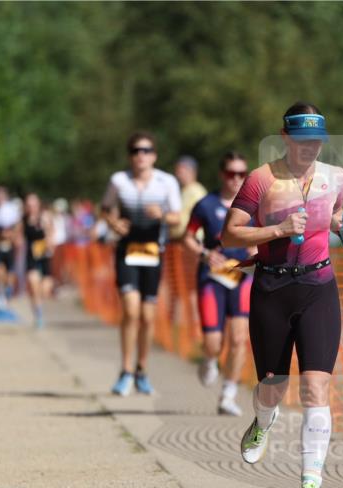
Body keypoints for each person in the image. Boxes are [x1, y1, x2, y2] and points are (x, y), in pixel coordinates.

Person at [221, 102, 343, 488]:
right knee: (273, 386)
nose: (310, 148)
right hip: (271, 287)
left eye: (316, 141)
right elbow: (230, 233)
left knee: (317, 387)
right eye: (302, 141)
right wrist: (278, 230)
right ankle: (263, 421)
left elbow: (335, 213)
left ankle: (310, 486)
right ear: (285, 137)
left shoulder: (336, 176)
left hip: (319, 287)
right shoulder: (260, 180)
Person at [101, 131, 182, 396]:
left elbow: (177, 217)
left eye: (146, 150)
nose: (141, 155)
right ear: (130, 156)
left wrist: (163, 214)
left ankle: (142, 370)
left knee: (147, 317)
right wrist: (113, 222)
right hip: (126, 251)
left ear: (154, 155)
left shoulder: (166, 182)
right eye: (136, 151)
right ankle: (124, 371)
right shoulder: (119, 180)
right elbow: (104, 208)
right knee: (130, 310)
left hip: (152, 252)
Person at [182, 151, 255, 416]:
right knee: (214, 342)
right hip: (212, 278)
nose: (236, 179)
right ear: (221, 175)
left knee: (239, 339)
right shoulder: (205, 204)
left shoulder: (253, 205)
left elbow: (262, 236)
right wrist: (204, 253)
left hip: (241, 277)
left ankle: (228, 395)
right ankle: (210, 359)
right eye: (230, 173)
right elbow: (187, 237)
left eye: (241, 174)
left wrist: (255, 250)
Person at [21, 192, 55, 328]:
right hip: (31, 256)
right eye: (29, 205)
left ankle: (38, 303)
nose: (31, 207)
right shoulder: (23, 219)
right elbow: (18, 235)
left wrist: (49, 243)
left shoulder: (44, 217)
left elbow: (51, 233)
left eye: (33, 205)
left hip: (44, 255)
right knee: (33, 284)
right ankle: (38, 314)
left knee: (44, 290)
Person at [173, 156, 208, 241]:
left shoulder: (196, 191)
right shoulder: (184, 190)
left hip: (192, 240)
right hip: (182, 240)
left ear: (190, 171)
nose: (177, 175)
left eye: (180, 171)